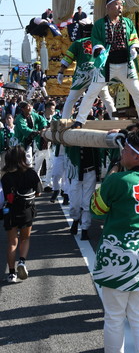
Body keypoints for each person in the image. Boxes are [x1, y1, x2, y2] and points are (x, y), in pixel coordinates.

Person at [91, 129, 139, 353]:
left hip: (118, 257)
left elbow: (96, 209)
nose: (121, 152)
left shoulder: (117, 180)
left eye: (125, 149)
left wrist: (112, 172)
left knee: (114, 317)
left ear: (136, 156)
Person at [71, 0, 139, 129]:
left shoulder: (127, 22)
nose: (120, 7)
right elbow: (95, 40)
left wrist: (134, 48)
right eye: (117, 4)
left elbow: (133, 37)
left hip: (126, 63)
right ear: (108, 7)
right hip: (106, 64)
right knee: (92, 92)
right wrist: (100, 49)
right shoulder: (99, 24)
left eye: (121, 4)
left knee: (137, 92)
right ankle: (79, 121)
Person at [1, 145, 42, 283]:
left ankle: (11, 274)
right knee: (25, 238)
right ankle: (22, 262)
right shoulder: (31, 173)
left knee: (12, 243)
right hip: (27, 210)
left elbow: (2, 196)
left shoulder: (6, 177)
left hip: (10, 211)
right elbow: (39, 192)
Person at [58, 26, 116, 120]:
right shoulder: (101, 43)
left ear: (84, 33)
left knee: (71, 99)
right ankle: (115, 120)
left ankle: (65, 120)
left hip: (82, 74)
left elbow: (67, 59)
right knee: (106, 98)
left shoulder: (78, 43)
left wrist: (61, 72)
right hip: (98, 74)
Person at [66, 144, 102, 240]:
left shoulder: (93, 140)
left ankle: (85, 229)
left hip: (90, 171)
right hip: (76, 171)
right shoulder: (73, 139)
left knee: (87, 202)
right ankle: (75, 219)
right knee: (74, 202)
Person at [13, 101, 48, 167]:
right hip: (20, 141)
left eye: (30, 106)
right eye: (28, 107)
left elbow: (42, 119)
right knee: (19, 161)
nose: (30, 108)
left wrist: (43, 127)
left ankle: (28, 171)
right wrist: (37, 132)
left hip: (29, 141)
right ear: (23, 109)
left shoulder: (32, 114)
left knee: (28, 161)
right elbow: (24, 129)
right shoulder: (19, 118)